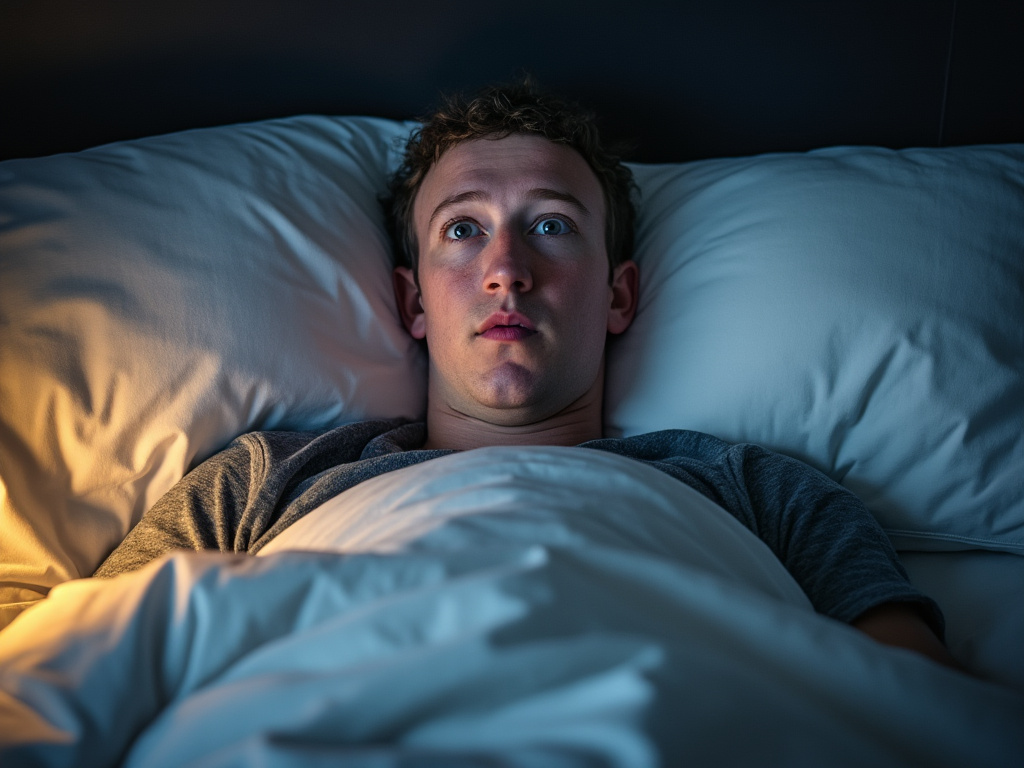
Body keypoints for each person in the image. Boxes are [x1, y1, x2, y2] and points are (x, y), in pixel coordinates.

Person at [95, 80, 957, 668]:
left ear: (620, 294)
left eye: (550, 226)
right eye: (463, 231)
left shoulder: (759, 490)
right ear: (414, 302)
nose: (506, 268)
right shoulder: (262, 483)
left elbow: (909, 700)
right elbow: (91, 663)